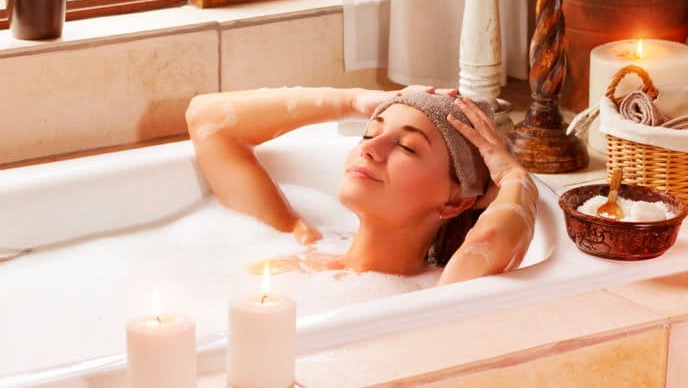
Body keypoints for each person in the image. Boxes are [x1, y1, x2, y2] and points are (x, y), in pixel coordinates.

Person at [185, 86, 537, 286]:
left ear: (454, 203)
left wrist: (512, 176)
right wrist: (354, 101)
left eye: (407, 147)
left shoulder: (434, 293)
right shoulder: (297, 238)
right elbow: (206, 119)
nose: (369, 148)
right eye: (370, 132)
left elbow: (492, 239)